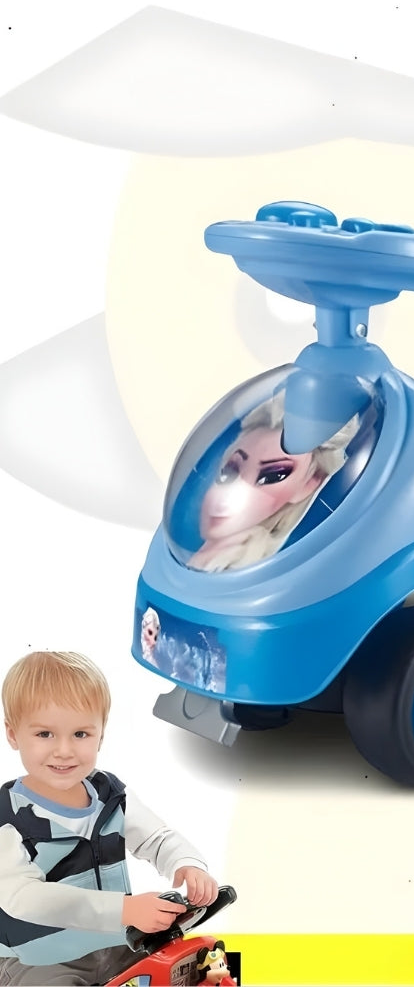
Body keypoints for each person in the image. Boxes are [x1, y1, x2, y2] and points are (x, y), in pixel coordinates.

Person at [0, 651, 220, 986]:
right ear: (13, 734)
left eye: (80, 734)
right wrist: (123, 909)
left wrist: (187, 864)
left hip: (121, 945)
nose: (64, 750)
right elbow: (23, 898)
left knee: (191, 970)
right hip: (40, 959)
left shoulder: (110, 794)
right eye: (45, 734)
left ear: (100, 735)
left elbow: (156, 838)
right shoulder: (9, 817)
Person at [189, 393, 359, 572]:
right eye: (230, 472)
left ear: (309, 483)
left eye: (270, 477)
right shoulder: (206, 557)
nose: (226, 499)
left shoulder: (251, 567)